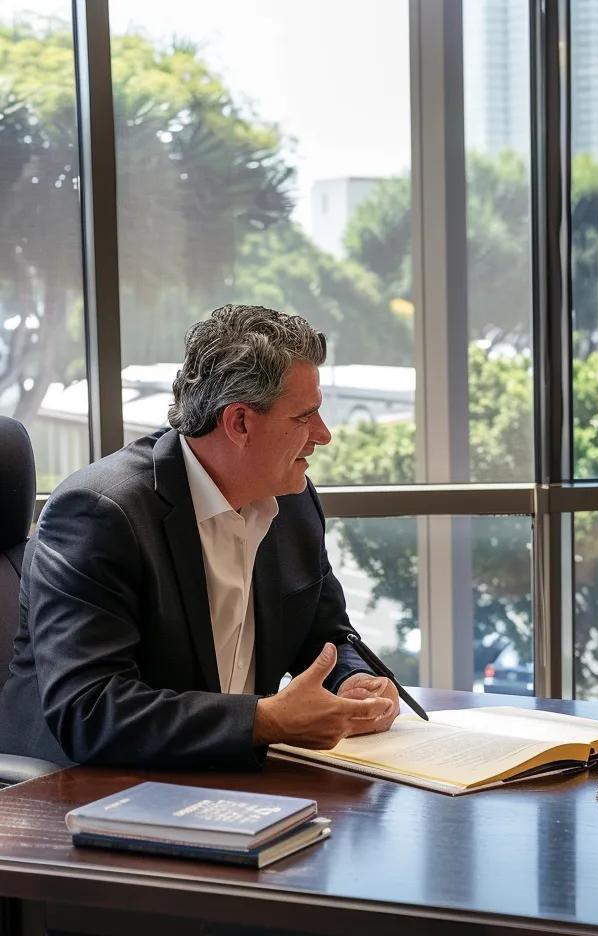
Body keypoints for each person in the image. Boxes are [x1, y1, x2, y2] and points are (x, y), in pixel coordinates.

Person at [0, 304, 401, 768]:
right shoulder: (100, 513)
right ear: (239, 423)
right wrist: (264, 720)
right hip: (76, 793)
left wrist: (352, 683)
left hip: (223, 781)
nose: (324, 435)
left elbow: (328, 636)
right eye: (303, 417)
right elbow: (91, 709)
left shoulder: (292, 502)